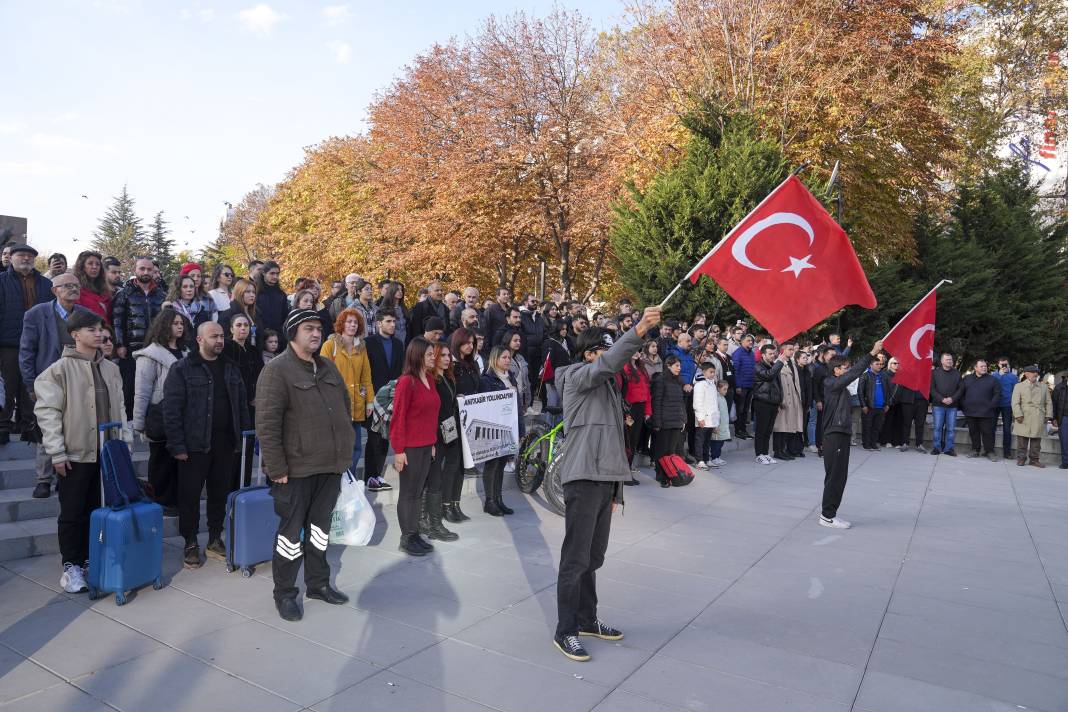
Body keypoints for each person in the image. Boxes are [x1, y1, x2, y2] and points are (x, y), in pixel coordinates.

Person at [552, 306, 661, 662]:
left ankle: (586, 619)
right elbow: (607, 365)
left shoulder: (610, 391)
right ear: (588, 353)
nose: (611, 357)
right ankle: (565, 630)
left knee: (593, 557)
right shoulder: (575, 375)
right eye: (604, 349)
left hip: (604, 480)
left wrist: (617, 489)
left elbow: (614, 442)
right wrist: (639, 330)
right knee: (575, 558)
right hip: (583, 478)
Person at [256, 309, 354, 620]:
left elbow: (344, 408)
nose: (316, 334)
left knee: (320, 532)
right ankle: (285, 593)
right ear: (292, 333)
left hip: (329, 465)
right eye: (309, 328)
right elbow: (267, 425)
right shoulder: (277, 371)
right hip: (295, 471)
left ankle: (318, 584)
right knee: (289, 536)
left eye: (319, 329)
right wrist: (277, 468)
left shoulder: (327, 367)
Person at [34, 310, 126, 593]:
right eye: (91, 329)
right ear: (75, 335)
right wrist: (57, 452)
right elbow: (48, 413)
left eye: (100, 329)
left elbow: (120, 408)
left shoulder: (111, 368)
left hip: (106, 453)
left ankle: (91, 559)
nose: (99, 334)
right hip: (75, 453)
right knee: (73, 511)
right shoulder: (58, 370)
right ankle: (71, 565)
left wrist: (125, 442)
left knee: (98, 509)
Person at [163, 322, 250, 568]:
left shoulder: (231, 368)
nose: (220, 340)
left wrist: (243, 438)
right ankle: (190, 542)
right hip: (193, 446)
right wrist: (177, 445)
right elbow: (172, 410)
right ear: (200, 339)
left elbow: (242, 405)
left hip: (225, 444)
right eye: (214, 336)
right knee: (189, 497)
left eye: (222, 336)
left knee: (219, 494)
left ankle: (214, 538)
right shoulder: (182, 369)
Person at [21, 273, 94, 499]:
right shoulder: (36, 314)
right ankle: (43, 478)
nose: (73, 289)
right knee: (47, 429)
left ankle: (64, 477)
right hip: (47, 380)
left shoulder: (86, 316)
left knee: (73, 429)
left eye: (76, 285)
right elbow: (26, 351)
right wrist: (31, 384)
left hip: (79, 382)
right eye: (67, 286)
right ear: (55, 290)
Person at [820, 340, 883, 529]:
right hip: (834, 434)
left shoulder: (839, 386)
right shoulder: (831, 383)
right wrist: (872, 352)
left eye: (847, 368)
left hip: (841, 433)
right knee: (836, 476)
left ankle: (828, 513)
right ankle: (827, 516)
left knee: (839, 475)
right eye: (845, 368)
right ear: (836, 370)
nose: (848, 371)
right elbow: (856, 372)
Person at [133, 308, 188, 514]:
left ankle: (177, 499)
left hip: (183, 415)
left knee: (178, 460)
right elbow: (142, 391)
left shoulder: (186, 352)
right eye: (175, 323)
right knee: (161, 461)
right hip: (160, 413)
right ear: (164, 325)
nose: (180, 327)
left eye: (181, 323)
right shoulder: (150, 355)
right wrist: (139, 423)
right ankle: (162, 500)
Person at [390, 337, 441, 555]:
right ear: (418, 355)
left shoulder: (429, 378)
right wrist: (399, 450)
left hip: (425, 444)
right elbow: (398, 417)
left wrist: (432, 443)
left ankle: (414, 532)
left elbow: (431, 415)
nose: (433, 357)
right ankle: (407, 537)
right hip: (409, 447)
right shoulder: (406, 381)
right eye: (429, 354)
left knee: (418, 492)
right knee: (408, 492)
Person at [0, 244, 54, 445]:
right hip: (9, 343)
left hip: (36, 344)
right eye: (21, 255)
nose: (25, 259)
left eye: (29, 256)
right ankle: (3, 426)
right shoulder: (2, 281)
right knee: (7, 385)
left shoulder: (44, 284)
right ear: (11, 258)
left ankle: (29, 425)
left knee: (31, 386)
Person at [319, 308, 372, 482]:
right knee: (338, 447)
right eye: (349, 321)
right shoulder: (330, 345)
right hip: (336, 406)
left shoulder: (361, 347)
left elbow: (366, 377)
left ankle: (349, 481)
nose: (352, 325)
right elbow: (321, 375)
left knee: (355, 447)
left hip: (356, 406)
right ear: (342, 324)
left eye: (355, 322)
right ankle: (335, 481)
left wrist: (369, 401)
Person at [112, 257, 166, 418]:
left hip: (155, 348)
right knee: (130, 387)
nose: (146, 272)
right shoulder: (125, 294)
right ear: (135, 271)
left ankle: (151, 420)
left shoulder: (161, 295)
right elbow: (117, 320)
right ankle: (129, 421)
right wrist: (120, 344)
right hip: (131, 349)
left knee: (154, 386)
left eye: (149, 269)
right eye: (142, 269)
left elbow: (165, 321)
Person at [421, 342, 461, 542]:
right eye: (442, 355)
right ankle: (431, 523)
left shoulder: (448, 378)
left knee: (436, 479)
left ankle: (430, 521)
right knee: (433, 479)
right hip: (434, 436)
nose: (447, 358)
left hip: (448, 433)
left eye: (448, 355)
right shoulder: (431, 380)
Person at [364, 311, 403, 492]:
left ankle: (377, 475)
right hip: (374, 397)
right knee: (374, 438)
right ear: (379, 323)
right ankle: (370, 476)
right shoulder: (369, 343)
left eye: (394, 321)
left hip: (392, 397)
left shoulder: (398, 344)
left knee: (385, 437)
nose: (392, 324)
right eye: (388, 321)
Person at [479, 346, 520, 514]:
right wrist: (506, 392)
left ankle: (498, 499)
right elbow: (486, 404)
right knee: (492, 464)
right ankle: (489, 501)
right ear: (495, 359)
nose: (507, 360)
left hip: (509, 427)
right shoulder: (487, 379)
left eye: (509, 357)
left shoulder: (511, 377)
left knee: (502, 463)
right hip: (493, 428)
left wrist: (521, 431)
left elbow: (517, 407)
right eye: (504, 357)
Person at [446, 328, 480, 521]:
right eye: (466, 342)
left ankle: (455, 504)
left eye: (472, 343)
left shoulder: (472, 364)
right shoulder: (450, 364)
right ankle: (446, 506)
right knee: (452, 464)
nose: (469, 346)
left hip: (469, 419)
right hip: (452, 420)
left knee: (461, 465)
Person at [650, 354, 686, 486]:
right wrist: (657, 422)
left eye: (680, 366)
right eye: (677, 366)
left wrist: (683, 419)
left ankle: (669, 473)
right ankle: (661, 475)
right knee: (662, 450)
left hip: (676, 420)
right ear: (668, 366)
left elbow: (680, 402)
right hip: (664, 422)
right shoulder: (661, 379)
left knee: (671, 451)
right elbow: (656, 402)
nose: (679, 368)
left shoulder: (678, 381)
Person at [222, 312, 262, 426]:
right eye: (238, 325)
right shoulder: (226, 349)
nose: (243, 328)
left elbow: (261, 373)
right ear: (231, 329)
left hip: (254, 401)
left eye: (246, 325)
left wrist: (256, 395)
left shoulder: (253, 350)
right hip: (233, 401)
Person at [960, 359, 1001, 460]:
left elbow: (997, 394)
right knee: (973, 432)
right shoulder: (967, 379)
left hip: (986, 412)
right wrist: (964, 405)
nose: (984, 368)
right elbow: (961, 393)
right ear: (975, 368)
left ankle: (989, 452)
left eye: (985, 366)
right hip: (970, 411)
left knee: (988, 433)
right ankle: (975, 450)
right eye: (981, 366)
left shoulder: (993, 380)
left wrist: (991, 406)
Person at [1011, 365, 1051, 468]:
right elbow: (1015, 402)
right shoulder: (1018, 386)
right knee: (1022, 441)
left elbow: (1048, 402)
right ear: (1026, 374)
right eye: (1033, 372)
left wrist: (1048, 415)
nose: (1035, 374)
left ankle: (1034, 460)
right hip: (1024, 416)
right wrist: (1018, 414)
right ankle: (1021, 458)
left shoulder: (1044, 387)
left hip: (1038, 416)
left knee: (1036, 441)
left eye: (1036, 372)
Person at [751, 344, 785, 465]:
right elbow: (769, 376)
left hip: (773, 402)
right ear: (763, 354)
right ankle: (759, 454)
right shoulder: (758, 366)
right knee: (761, 429)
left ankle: (765, 453)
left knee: (768, 430)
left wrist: (780, 400)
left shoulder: (772, 366)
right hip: (762, 402)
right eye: (770, 353)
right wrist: (779, 362)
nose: (773, 356)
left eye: (774, 353)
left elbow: (778, 385)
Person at [772, 342, 804, 460]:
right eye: (790, 349)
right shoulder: (777, 363)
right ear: (783, 350)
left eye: (792, 349)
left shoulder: (792, 363)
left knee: (788, 426)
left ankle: (784, 449)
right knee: (780, 426)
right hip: (783, 400)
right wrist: (780, 399)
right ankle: (778, 450)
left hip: (793, 399)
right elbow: (777, 384)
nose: (792, 351)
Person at [623, 350, 651, 478]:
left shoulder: (641, 368)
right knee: (628, 440)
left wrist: (647, 410)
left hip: (640, 407)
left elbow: (647, 391)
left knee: (634, 440)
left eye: (638, 350)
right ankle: (624, 470)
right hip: (630, 408)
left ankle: (628, 468)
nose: (636, 352)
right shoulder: (624, 367)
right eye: (633, 350)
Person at [669, 333, 697, 461]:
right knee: (679, 423)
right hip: (678, 392)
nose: (690, 343)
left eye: (690, 341)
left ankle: (682, 452)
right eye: (687, 341)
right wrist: (684, 384)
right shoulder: (674, 354)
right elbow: (674, 373)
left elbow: (690, 373)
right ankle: (677, 453)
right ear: (679, 342)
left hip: (689, 392)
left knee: (687, 423)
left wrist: (690, 384)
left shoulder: (690, 356)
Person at [930, 353, 963, 456]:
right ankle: (936, 448)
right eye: (947, 359)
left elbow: (961, 389)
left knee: (951, 429)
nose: (950, 361)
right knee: (937, 428)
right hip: (938, 405)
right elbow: (932, 389)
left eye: (950, 359)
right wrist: (942, 399)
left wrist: (952, 399)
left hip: (952, 406)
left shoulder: (957, 373)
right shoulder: (934, 373)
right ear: (942, 361)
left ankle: (949, 449)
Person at [858, 354, 889, 451]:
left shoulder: (883, 376)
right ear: (871, 365)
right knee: (867, 426)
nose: (879, 366)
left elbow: (887, 391)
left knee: (877, 427)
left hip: (881, 407)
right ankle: (866, 444)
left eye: (881, 364)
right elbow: (860, 391)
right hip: (869, 406)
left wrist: (887, 404)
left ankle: (873, 444)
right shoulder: (865, 376)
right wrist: (863, 405)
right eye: (877, 364)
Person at [692, 362, 720, 469]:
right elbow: (697, 402)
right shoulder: (700, 385)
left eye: (714, 372)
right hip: (703, 418)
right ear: (704, 372)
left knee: (707, 441)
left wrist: (716, 420)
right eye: (711, 372)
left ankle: (706, 459)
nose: (713, 374)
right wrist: (700, 418)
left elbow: (714, 403)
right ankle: (699, 460)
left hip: (711, 419)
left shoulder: (712, 384)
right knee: (700, 440)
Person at [254, 260, 288, 345]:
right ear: (263, 273)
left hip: (279, 337)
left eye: (277, 274)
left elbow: (284, 316)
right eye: (272, 273)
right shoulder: (256, 293)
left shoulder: (281, 294)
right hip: (261, 336)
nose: (275, 276)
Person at [72, 251, 112, 320]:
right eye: (90, 263)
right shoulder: (75, 290)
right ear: (82, 266)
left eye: (97, 264)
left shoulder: (105, 290)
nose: (94, 267)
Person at [731, 334, 756, 439]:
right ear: (742, 342)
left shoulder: (751, 353)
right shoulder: (738, 353)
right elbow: (735, 370)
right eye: (748, 340)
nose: (750, 342)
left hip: (750, 385)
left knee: (745, 410)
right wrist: (737, 386)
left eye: (752, 340)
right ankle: (738, 430)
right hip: (741, 386)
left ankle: (743, 430)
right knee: (739, 409)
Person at [992, 358, 1017, 459]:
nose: (1004, 366)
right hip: (995, 404)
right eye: (1002, 364)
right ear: (998, 365)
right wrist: (1000, 375)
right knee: (991, 427)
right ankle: (990, 450)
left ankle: (1007, 452)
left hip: (1007, 405)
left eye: (1006, 364)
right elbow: (991, 386)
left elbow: (1016, 391)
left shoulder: (1013, 377)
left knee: (1007, 429)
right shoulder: (994, 376)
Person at [708, 380, 731, 467]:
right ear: (718, 388)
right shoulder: (716, 398)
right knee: (716, 442)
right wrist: (715, 425)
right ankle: (714, 457)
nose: (726, 391)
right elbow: (715, 412)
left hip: (723, 425)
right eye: (724, 389)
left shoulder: (722, 397)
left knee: (721, 442)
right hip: (718, 425)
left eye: (727, 389)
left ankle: (718, 456)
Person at [1052, 373, 1068, 470]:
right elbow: (1054, 403)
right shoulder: (1059, 388)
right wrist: (1054, 418)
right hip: (1064, 417)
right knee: (1065, 441)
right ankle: (1065, 462)